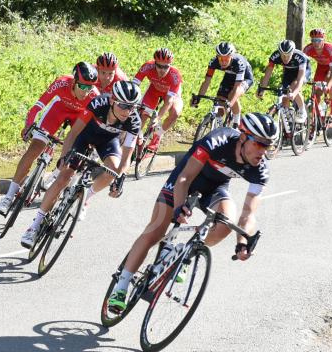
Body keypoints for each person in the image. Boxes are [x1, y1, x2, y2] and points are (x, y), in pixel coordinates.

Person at [105, 113, 277, 314]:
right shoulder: (217, 141)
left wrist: (243, 242)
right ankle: (122, 286)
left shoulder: (261, 170)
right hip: (185, 179)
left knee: (227, 222)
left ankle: (186, 252)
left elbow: (248, 214)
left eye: (269, 146)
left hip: (216, 187)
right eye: (260, 144)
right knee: (156, 229)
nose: (263, 152)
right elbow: (185, 178)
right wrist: (179, 207)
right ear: (243, 137)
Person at [20, 81, 142, 246]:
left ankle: (84, 197)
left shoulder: (134, 120)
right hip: (84, 136)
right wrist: (64, 157)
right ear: (112, 100)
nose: (128, 111)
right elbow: (73, 133)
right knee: (63, 178)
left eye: (132, 107)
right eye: (123, 105)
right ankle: (34, 226)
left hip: (107, 142)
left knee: (113, 171)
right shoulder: (98, 104)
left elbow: (127, 156)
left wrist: (121, 177)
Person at [0, 63, 100, 215]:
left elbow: (96, 123)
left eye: (90, 87)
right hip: (58, 111)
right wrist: (28, 125)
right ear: (74, 81)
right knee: (34, 149)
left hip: (79, 117)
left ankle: (56, 173)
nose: (86, 91)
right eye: (83, 87)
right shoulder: (62, 82)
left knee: (74, 151)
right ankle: (8, 196)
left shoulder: (94, 95)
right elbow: (38, 105)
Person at [191, 42, 254, 129]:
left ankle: (236, 123)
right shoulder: (213, 62)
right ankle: (219, 126)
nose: (223, 62)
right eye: (221, 59)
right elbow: (207, 81)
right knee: (220, 100)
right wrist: (199, 97)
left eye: (226, 59)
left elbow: (237, 87)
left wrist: (230, 104)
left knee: (232, 95)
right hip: (229, 75)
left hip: (245, 78)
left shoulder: (239, 63)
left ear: (231, 56)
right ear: (217, 57)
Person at [134, 48, 183, 151]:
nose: (162, 70)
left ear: (170, 65)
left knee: (175, 112)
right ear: (154, 63)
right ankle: (135, 138)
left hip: (170, 93)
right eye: (159, 66)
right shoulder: (148, 66)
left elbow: (169, 101)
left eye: (166, 67)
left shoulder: (175, 75)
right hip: (154, 89)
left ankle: (158, 135)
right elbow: (134, 85)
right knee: (143, 113)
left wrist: (158, 118)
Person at [257, 40, 309, 123]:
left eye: (288, 55)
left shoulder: (300, 57)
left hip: (303, 70)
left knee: (293, 87)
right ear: (279, 53)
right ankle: (288, 121)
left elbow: (299, 80)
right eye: (282, 55)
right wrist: (262, 89)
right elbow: (267, 74)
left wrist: (294, 94)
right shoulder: (275, 56)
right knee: (285, 97)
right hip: (288, 71)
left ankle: (302, 111)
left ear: (292, 52)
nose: (285, 58)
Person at [302, 28, 332, 122]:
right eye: (313, 40)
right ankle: (317, 110)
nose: (315, 43)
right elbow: (302, 66)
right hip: (321, 65)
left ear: (323, 40)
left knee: (328, 80)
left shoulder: (329, 49)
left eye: (318, 40)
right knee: (317, 89)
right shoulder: (308, 49)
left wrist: (327, 86)